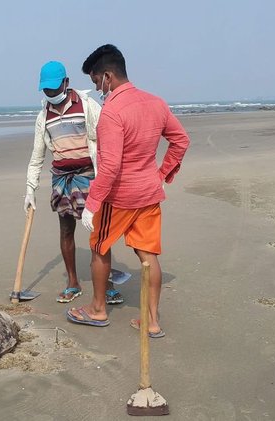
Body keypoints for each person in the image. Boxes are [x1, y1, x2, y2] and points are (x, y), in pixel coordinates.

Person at [66, 45, 190, 339]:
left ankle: (97, 309)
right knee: (148, 256)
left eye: (97, 82)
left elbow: (109, 167)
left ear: (107, 76)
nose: (98, 89)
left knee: (99, 248)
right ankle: (152, 320)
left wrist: (92, 205)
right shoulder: (156, 102)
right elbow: (181, 141)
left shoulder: (112, 112)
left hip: (119, 197)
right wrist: (161, 175)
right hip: (148, 194)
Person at [24, 61, 126, 304]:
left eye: (54, 88)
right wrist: (30, 189)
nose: (51, 94)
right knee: (66, 230)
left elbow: (106, 140)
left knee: (98, 231)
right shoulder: (43, 116)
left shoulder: (88, 106)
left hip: (89, 175)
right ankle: (73, 282)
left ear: (66, 83)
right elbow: (37, 156)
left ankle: (107, 283)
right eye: (46, 90)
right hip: (61, 178)